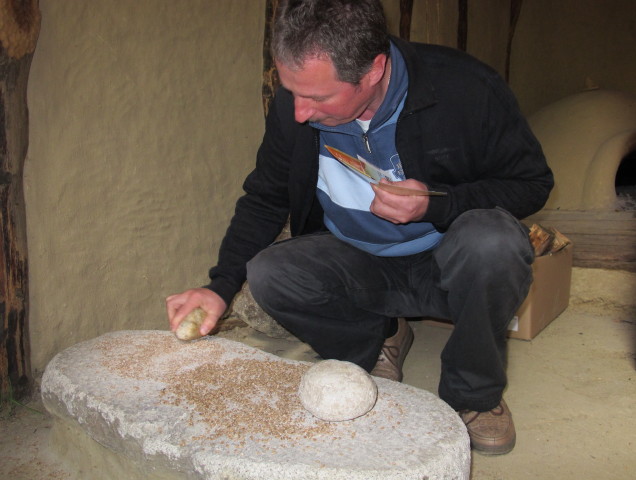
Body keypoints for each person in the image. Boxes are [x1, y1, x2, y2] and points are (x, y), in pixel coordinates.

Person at [166, 0, 553, 456]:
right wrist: (219, 285)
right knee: (271, 273)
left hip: (447, 260)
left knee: (494, 244)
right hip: (357, 259)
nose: (300, 113)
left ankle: (475, 395)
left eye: (318, 98)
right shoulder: (297, 106)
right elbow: (265, 196)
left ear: (373, 71)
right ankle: (380, 337)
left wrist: (437, 203)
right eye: (292, 92)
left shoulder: (468, 87)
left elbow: (531, 184)